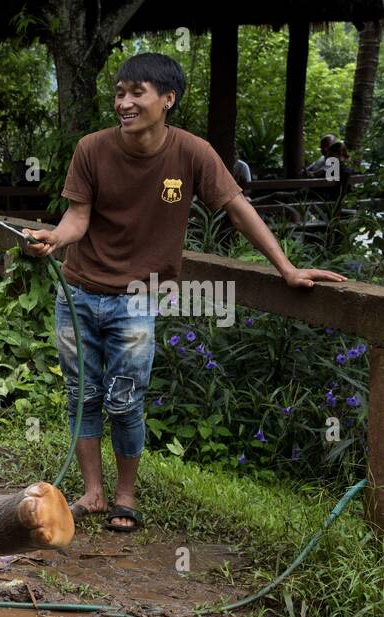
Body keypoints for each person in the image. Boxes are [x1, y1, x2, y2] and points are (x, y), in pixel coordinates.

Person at [23, 53, 346, 532]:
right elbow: (78, 218)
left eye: (137, 93)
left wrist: (287, 268)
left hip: (138, 298)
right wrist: (54, 238)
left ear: (167, 99)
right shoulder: (91, 149)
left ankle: (124, 497)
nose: (124, 103)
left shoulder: (193, 153)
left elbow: (238, 208)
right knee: (82, 394)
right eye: (119, 93)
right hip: (79, 292)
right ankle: (91, 493)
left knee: (126, 398)